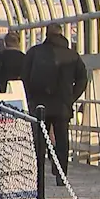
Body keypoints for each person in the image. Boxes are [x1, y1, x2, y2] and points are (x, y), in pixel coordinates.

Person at [21, 23, 88, 186]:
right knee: (62, 139)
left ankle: (37, 174)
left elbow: (24, 76)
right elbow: (82, 79)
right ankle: (61, 175)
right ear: (61, 34)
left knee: (38, 140)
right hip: (62, 104)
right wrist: (71, 97)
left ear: (46, 34)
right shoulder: (72, 55)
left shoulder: (34, 53)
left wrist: (31, 96)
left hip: (39, 104)